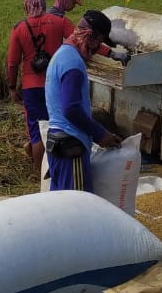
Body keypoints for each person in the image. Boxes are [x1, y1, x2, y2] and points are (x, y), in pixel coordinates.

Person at [44, 10, 122, 191]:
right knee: (76, 206)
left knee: (61, 205)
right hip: (70, 146)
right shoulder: (73, 63)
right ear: (89, 36)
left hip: (58, 143)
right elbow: (71, 109)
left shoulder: (62, 54)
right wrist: (100, 134)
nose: (97, 49)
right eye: (98, 42)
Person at [6, 0, 66, 164]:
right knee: (56, 125)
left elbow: (12, 62)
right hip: (55, 83)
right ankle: (56, 167)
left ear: (25, 6)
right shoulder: (58, 21)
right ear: (44, 3)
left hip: (31, 86)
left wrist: (12, 87)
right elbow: (77, 40)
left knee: (37, 131)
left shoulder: (19, 28)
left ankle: (39, 175)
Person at [49, 0, 131, 66]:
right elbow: (82, 40)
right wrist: (112, 54)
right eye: (74, 3)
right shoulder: (61, 21)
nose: (74, 6)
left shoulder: (48, 14)